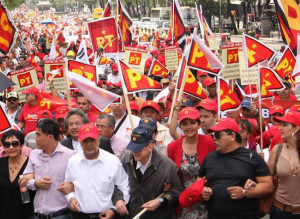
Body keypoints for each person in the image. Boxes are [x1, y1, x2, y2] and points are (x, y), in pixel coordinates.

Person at [199, 118, 273, 219]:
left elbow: (268, 185)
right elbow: (200, 179)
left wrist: (245, 192)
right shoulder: (210, 157)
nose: (214, 139)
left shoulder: (252, 157)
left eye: (217, 135)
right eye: (213, 135)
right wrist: (203, 190)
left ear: (232, 136)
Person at [64, 123, 130, 219]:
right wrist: (71, 198)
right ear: (79, 142)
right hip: (81, 216)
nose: (89, 144)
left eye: (92, 140)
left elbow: (124, 187)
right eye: (85, 141)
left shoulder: (112, 161)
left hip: (107, 215)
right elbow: (68, 186)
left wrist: (114, 209)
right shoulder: (73, 162)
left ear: (98, 140)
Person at [121, 125, 183, 218]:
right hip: (132, 215)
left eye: (138, 148)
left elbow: (176, 191)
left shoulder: (167, 166)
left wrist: (160, 201)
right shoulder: (126, 160)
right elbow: (117, 184)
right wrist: (119, 200)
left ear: (150, 146)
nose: (134, 151)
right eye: (132, 147)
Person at [21, 119, 75, 218]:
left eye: (38, 135)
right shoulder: (34, 154)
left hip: (61, 214)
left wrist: (72, 186)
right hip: (38, 214)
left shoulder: (71, 156)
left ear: (50, 137)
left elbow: (79, 183)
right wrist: (36, 183)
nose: (35, 139)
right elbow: (23, 181)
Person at [168, 107, 215, 218]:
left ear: (199, 124)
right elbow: (171, 175)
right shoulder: (173, 147)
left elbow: (217, 169)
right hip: (183, 201)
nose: (189, 127)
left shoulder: (209, 142)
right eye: (185, 124)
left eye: (192, 123)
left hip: (206, 199)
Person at [268, 111, 300, 218]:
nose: (280, 128)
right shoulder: (277, 150)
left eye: (285, 125)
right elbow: (267, 178)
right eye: (280, 125)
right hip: (280, 211)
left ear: (296, 128)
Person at [0, 130, 34, 219]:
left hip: (26, 214)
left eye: (15, 144)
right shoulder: (1, 163)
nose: (11, 147)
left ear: (22, 145)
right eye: (7, 145)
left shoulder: (31, 163)